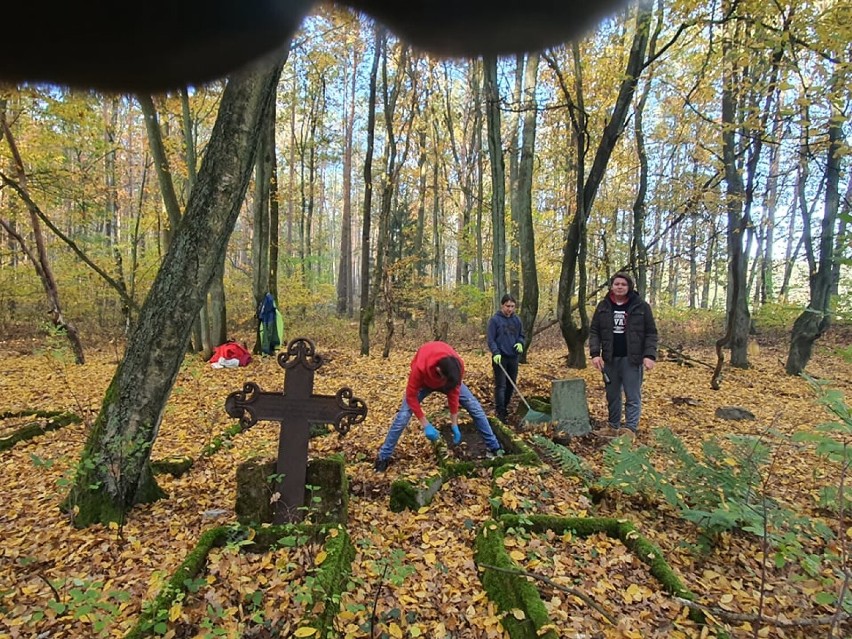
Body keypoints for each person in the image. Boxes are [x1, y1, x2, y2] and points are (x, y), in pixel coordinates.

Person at [375, 341, 503, 471]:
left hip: (447, 381)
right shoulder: (420, 368)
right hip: (424, 383)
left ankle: (494, 447)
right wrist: (426, 425)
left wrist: (454, 424)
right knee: (402, 417)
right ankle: (383, 457)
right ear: (438, 370)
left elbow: (454, 393)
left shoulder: (457, 367)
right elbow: (411, 397)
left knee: (475, 408)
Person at [589, 272, 658, 439]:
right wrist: (595, 354)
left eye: (623, 284)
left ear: (629, 287)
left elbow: (651, 333)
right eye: (617, 284)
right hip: (610, 358)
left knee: (632, 395)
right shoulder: (603, 306)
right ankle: (613, 426)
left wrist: (649, 355)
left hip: (632, 359)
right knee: (612, 395)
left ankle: (629, 429)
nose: (620, 287)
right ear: (612, 286)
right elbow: (594, 331)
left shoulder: (641, 306)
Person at [487, 294, 525, 422]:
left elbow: (521, 335)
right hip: (500, 357)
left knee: (511, 384)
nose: (510, 309)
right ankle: (500, 412)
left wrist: (520, 343)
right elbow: (491, 339)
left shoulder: (517, 320)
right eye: (507, 306)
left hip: (513, 357)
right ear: (502, 305)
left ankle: (506, 406)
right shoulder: (495, 320)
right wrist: (495, 352)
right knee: (501, 385)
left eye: (512, 306)